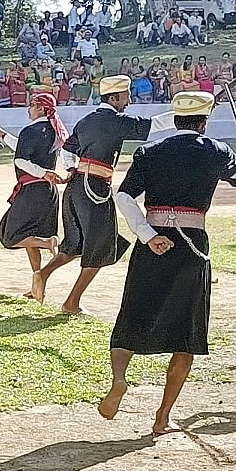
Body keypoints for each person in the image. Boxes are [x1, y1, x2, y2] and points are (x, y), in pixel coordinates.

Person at [102, 91, 236, 433]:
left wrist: (146, 233)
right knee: (186, 332)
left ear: (175, 119)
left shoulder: (149, 152)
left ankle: (119, 379)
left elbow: (124, 195)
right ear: (204, 122)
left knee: (133, 314)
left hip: (153, 241)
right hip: (191, 246)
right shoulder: (215, 150)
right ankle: (162, 417)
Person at [34, 75, 174, 311]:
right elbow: (154, 125)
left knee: (75, 244)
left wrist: (72, 168)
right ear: (115, 97)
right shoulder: (115, 120)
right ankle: (71, 302)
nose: (129, 101)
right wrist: (186, 114)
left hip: (76, 187)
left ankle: (43, 273)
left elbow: (67, 149)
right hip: (95, 189)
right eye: (126, 96)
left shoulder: (87, 120)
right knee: (101, 247)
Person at [0, 92, 67, 280]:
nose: (28, 110)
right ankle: (37, 278)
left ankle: (48, 243)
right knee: (28, 236)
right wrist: (2, 134)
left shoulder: (30, 131)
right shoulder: (53, 131)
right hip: (47, 192)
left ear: (40, 108)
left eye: (32, 106)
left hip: (32, 190)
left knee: (9, 235)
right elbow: (23, 147)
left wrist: (42, 173)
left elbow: (21, 160)